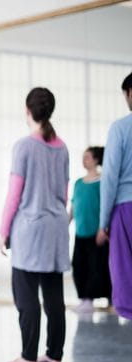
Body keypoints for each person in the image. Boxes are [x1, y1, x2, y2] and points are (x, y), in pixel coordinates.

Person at [0, 87, 69, 362]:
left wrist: (3, 231)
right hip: (57, 227)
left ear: (27, 110)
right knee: (54, 295)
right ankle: (54, 354)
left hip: (30, 228)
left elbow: (15, 193)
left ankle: (28, 356)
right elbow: (64, 193)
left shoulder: (24, 146)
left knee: (25, 293)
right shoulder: (62, 147)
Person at [97, 71, 132, 320]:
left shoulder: (121, 128)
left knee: (125, 269)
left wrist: (104, 222)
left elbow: (109, 176)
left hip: (126, 207)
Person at [70, 146, 111, 313]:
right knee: (79, 266)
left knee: (99, 267)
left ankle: (110, 299)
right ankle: (85, 300)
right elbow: (73, 206)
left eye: (87, 157)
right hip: (81, 233)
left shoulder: (103, 182)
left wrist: (104, 229)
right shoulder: (78, 183)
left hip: (98, 233)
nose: (83, 160)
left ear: (95, 160)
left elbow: (107, 205)